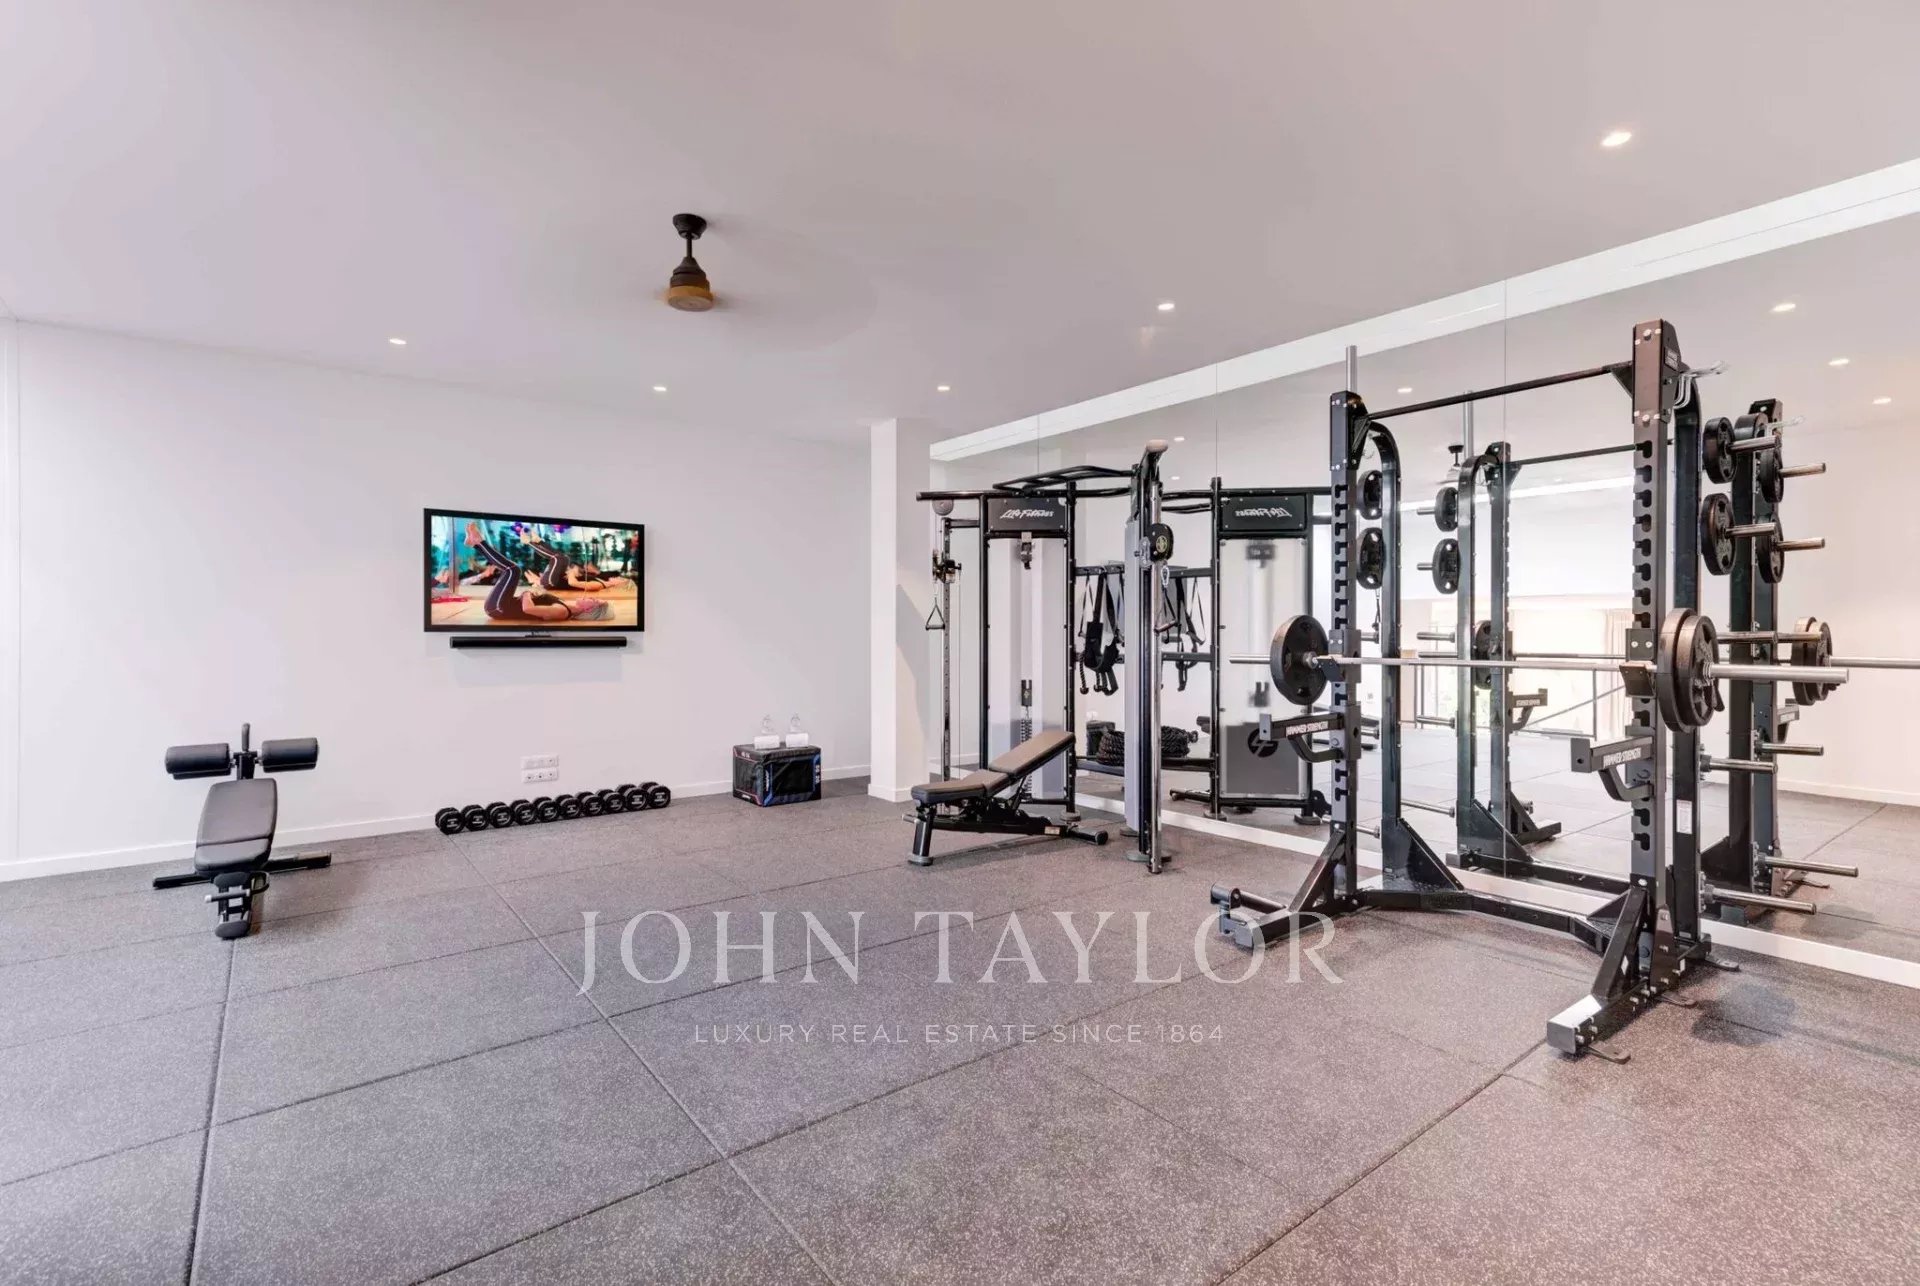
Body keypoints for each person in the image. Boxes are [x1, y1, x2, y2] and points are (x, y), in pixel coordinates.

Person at [466, 522, 610, 622]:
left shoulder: (562, 611)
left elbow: (528, 609)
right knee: (562, 558)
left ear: (589, 610)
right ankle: (478, 542)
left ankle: (478, 542)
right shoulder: (566, 606)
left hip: (498, 608)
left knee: (513, 570)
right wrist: (537, 588)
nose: (592, 598)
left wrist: (527, 593)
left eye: (594, 601)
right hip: (502, 605)